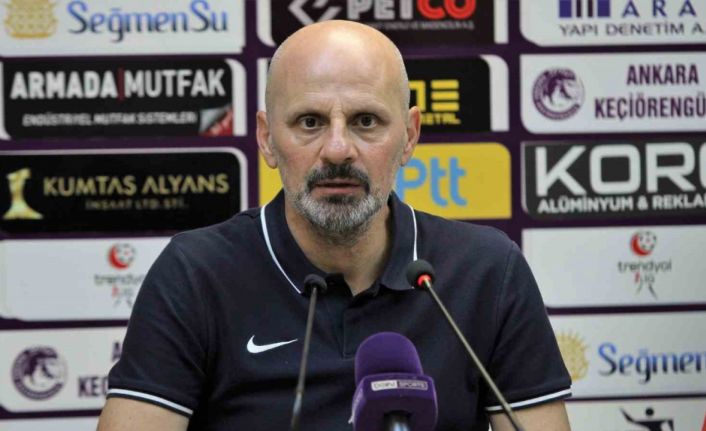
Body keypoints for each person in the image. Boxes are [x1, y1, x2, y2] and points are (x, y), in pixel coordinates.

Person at [98, 20, 572, 431]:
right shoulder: (195, 273)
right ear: (266, 139)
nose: (338, 149)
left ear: (409, 136)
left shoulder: (487, 269)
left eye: (366, 121)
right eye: (310, 122)